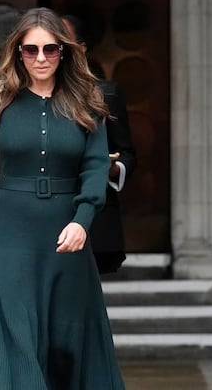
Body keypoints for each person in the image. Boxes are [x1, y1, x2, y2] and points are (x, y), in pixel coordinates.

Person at [0, 7, 125, 389]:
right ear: (17, 52)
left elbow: (94, 168)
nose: (40, 58)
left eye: (50, 49)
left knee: (66, 344)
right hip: (10, 231)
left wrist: (82, 219)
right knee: (14, 338)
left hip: (65, 235)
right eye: (30, 50)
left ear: (65, 51)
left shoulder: (86, 100)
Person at [61, 14, 137, 274]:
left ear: (80, 49)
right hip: (41, 220)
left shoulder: (106, 95)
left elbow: (127, 154)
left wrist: (112, 167)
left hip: (95, 222)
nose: (52, 53)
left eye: (61, 43)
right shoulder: (25, 97)